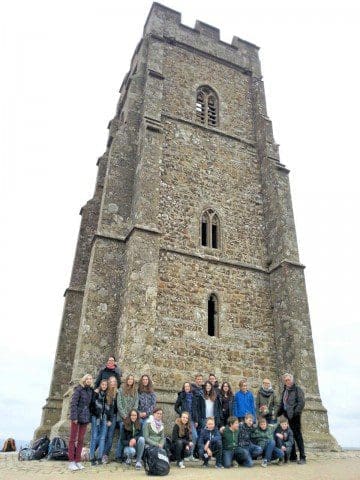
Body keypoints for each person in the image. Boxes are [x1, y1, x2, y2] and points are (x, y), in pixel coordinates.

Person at [277, 373, 306, 464]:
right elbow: (283, 405)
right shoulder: (284, 391)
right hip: (286, 417)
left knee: (298, 436)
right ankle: (293, 456)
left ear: (292, 380)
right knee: (290, 436)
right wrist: (276, 414)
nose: (287, 381)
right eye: (285, 380)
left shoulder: (297, 390)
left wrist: (295, 413)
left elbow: (301, 402)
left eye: (288, 379)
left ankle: (302, 457)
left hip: (295, 416)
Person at [68, 374, 93, 471]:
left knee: (81, 439)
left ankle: (78, 460)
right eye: (87, 379)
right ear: (84, 380)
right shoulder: (78, 389)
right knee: (72, 439)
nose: (89, 380)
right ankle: (71, 461)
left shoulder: (90, 391)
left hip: (85, 417)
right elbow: (73, 403)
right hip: (76, 417)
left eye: (90, 379)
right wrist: (74, 417)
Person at [89, 379, 113, 466]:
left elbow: (110, 408)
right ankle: (91, 457)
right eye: (103, 384)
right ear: (100, 385)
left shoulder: (108, 395)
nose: (104, 386)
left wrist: (109, 419)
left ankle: (99, 457)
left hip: (105, 418)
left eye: (105, 385)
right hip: (96, 417)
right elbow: (91, 405)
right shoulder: (95, 393)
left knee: (102, 438)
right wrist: (94, 414)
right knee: (94, 437)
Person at [115, 374, 139, 461]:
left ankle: (128, 455)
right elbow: (119, 404)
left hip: (131, 419)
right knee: (122, 436)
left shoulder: (135, 392)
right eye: (129, 379)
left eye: (132, 379)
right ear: (126, 380)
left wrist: (132, 416)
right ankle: (118, 456)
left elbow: (136, 404)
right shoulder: (121, 390)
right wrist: (125, 416)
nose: (130, 380)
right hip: (122, 418)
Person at [174, 382, 198, 460]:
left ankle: (191, 455)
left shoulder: (194, 396)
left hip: (192, 419)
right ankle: (186, 454)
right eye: (185, 386)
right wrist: (182, 414)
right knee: (187, 436)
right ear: (184, 388)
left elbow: (195, 409)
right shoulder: (181, 396)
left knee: (194, 436)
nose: (187, 388)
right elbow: (176, 407)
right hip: (184, 420)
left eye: (188, 386)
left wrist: (196, 420)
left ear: (190, 387)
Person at [102, 376, 118, 463]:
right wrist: (108, 419)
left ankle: (105, 455)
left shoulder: (117, 393)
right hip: (105, 417)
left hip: (114, 417)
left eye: (114, 381)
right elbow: (106, 407)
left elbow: (115, 408)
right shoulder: (105, 392)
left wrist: (111, 419)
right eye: (111, 381)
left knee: (110, 436)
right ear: (108, 382)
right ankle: (99, 453)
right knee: (102, 435)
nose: (113, 383)